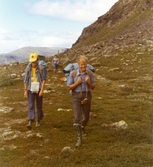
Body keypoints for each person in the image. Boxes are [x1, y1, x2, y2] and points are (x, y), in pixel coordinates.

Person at [67, 55, 96, 147]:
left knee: (86, 117)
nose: (83, 67)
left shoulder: (90, 74)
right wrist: (77, 83)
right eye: (81, 65)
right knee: (77, 117)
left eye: (85, 65)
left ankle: (82, 127)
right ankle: (79, 139)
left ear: (87, 64)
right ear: (78, 64)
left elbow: (93, 87)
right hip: (76, 96)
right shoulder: (73, 74)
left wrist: (89, 82)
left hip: (87, 96)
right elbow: (69, 87)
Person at [24, 52, 47, 129]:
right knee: (30, 105)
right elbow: (26, 80)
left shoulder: (41, 68)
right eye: (32, 61)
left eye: (34, 61)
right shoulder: (28, 68)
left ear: (37, 60)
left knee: (39, 105)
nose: (33, 63)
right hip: (30, 88)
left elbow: (43, 79)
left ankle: (38, 120)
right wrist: (25, 90)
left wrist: (42, 90)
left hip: (38, 88)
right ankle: (30, 120)